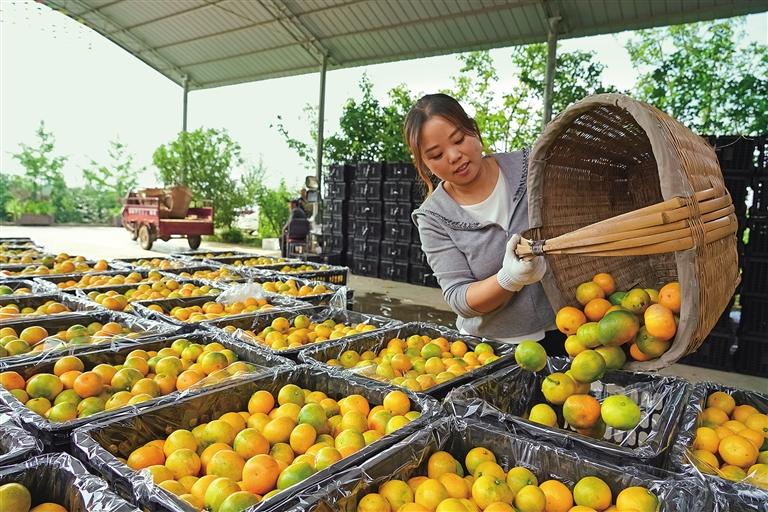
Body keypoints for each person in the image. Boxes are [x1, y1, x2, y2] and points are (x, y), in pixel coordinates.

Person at [408, 93, 563, 354]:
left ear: (473, 129)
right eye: (436, 155)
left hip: (567, 328)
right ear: (424, 163)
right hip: (491, 350)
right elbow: (459, 297)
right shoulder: (434, 216)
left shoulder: (532, 167)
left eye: (459, 139)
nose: (454, 155)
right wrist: (509, 278)